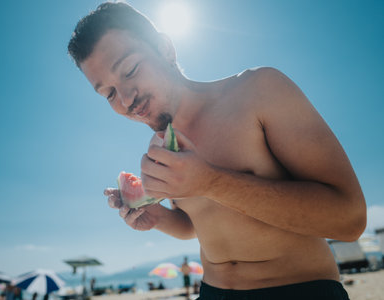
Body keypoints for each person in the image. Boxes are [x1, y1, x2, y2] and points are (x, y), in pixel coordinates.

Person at [68, 2, 366, 300]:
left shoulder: (259, 90)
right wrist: (157, 217)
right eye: (108, 94)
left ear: (165, 49)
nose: (126, 99)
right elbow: (194, 225)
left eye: (130, 70)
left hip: (299, 290)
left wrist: (211, 182)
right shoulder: (162, 144)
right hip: (211, 292)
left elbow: (349, 219)